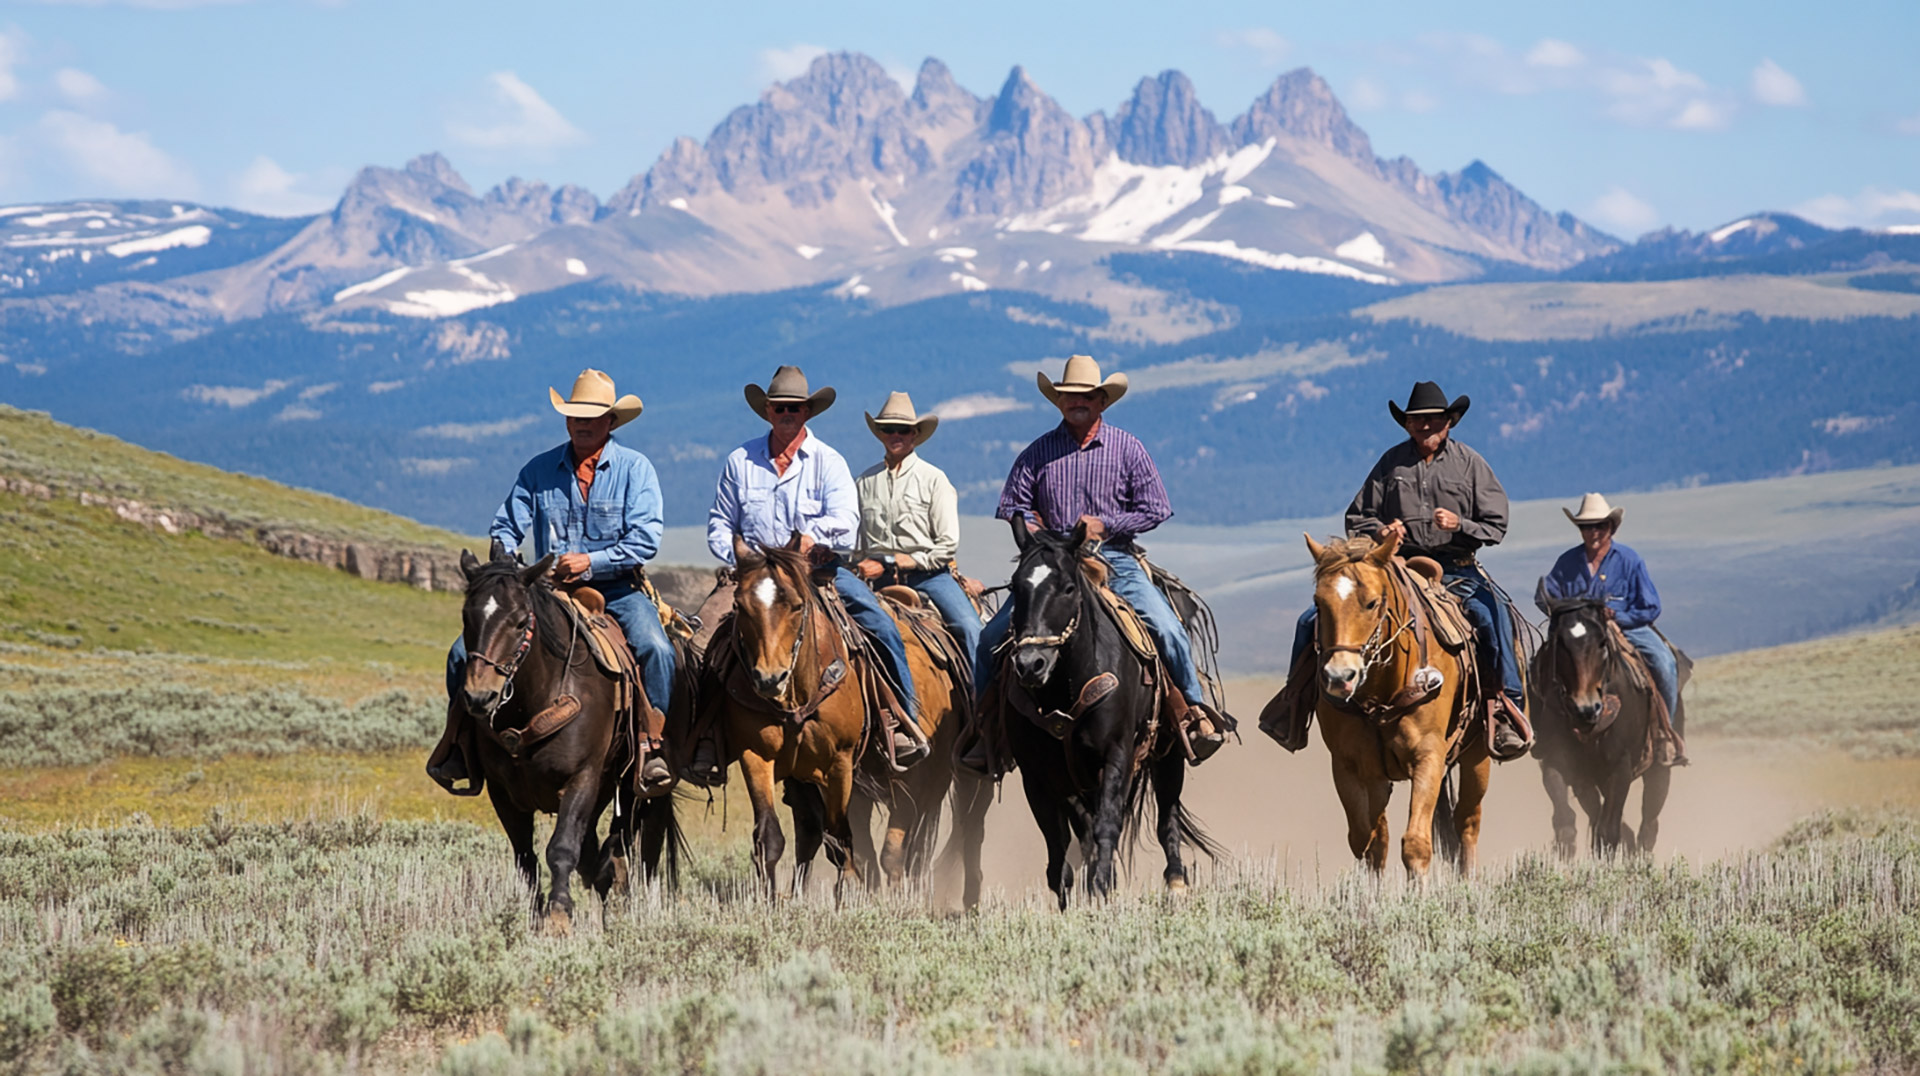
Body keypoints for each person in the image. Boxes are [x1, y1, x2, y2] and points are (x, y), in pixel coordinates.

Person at [428, 369, 676, 793]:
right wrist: (506, 565)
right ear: (565, 420)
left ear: (611, 421)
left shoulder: (636, 470)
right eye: (575, 415)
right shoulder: (538, 470)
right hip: (546, 592)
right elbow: (506, 525)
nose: (582, 422)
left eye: (592, 416)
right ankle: (461, 744)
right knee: (460, 655)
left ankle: (652, 745)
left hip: (616, 588)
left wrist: (591, 563)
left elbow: (645, 540)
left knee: (656, 648)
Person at [975, 354, 1229, 759]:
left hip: (1114, 558)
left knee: (1165, 628)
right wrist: (1046, 540)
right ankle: (985, 728)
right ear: (1058, 402)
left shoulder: (1127, 449)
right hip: (1053, 564)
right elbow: (1014, 507)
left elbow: (1156, 508)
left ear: (1101, 400)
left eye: (1086, 395)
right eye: (1068, 396)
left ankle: (1192, 713)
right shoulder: (1036, 453)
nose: (1077, 402)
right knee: (990, 639)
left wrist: (1106, 525)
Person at [1287, 380, 1531, 757]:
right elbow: (1358, 516)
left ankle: (1504, 706)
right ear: (1406, 424)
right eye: (1417, 420)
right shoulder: (1390, 463)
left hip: (1456, 568)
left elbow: (1496, 524)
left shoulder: (1470, 464)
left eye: (1434, 419)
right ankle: (1294, 705)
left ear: (1449, 421)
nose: (1425, 426)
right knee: (1311, 619)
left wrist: (1460, 525)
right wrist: (1381, 530)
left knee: (1492, 615)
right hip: (1395, 568)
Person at [705, 365, 926, 765]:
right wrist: (737, 559)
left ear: (807, 411)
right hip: (753, 578)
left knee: (880, 625)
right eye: (779, 408)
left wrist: (813, 537)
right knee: (703, 637)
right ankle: (702, 735)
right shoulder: (739, 461)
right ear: (767, 411)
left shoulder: (828, 462)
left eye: (795, 407)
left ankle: (900, 719)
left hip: (817, 575)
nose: (787, 414)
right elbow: (721, 521)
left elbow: (846, 522)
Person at [1539, 492, 1685, 751]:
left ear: (1610, 527)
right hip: (1581, 636)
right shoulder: (1567, 562)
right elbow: (1546, 595)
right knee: (1540, 664)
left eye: (1599, 526)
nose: (1593, 532)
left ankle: (1664, 734)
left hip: (1628, 629)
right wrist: (1564, 615)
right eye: (1586, 526)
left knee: (1665, 663)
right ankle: (1541, 731)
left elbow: (1650, 606)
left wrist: (1619, 616)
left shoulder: (1629, 560)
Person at [852, 391, 985, 665]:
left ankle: (982, 702)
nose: (895, 435)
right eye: (889, 429)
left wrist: (903, 561)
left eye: (903, 430)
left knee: (971, 629)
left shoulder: (934, 480)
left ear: (914, 434)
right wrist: (859, 564)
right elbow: (856, 542)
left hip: (929, 577)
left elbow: (947, 543)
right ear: (881, 434)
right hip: (872, 579)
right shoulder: (863, 482)